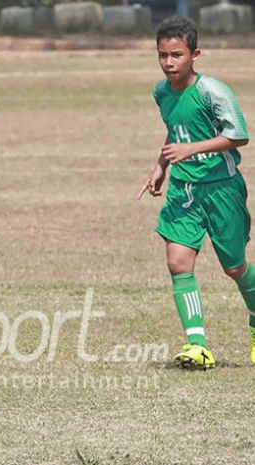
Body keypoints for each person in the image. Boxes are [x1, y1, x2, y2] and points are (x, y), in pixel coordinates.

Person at [139, 16, 253, 369]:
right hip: (184, 191)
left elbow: (239, 136)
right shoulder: (161, 92)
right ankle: (197, 345)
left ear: (195, 54)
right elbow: (177, 134)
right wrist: (161, 167)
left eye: (177, 54)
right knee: (177, 262)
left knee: (234, 267)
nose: (169, 62)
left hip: (222, 189)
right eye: (163, 55)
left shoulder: (212, 91)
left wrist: (192, 150)